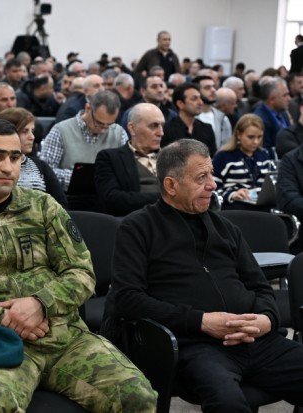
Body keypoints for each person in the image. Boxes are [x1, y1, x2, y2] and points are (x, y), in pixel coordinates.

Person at [0, 117, 157, 412]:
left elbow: (81, 273)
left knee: (137, 396)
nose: (8, 167)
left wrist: (41, 303)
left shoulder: (42, 207)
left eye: (15, 158)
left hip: (66, 339)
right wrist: (6, 317)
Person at [108, 138, 303, 413]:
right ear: (171, 185)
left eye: (211, 174)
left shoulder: (226, 228)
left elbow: (260, 286)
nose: (212, 184)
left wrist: (266, 320)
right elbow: (127, 299)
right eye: (201, 177)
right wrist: (202, 322)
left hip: (257, 340)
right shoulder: (138, 228)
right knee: (228, 403)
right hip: (196, 346)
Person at [39, 90, 127, 191]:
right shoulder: (60, 131)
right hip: (69, 196)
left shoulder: (119, 133)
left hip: (108, 196)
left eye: (110, 124)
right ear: (88, 108)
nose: (104, 130)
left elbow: (127, 171)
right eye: (99, 123)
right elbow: (45, 171)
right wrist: (80, 177)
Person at [95, 103, 162, 216]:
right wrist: (163, 199)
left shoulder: (173, 157)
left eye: (162, 125)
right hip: (135, 219)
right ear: (132, 128)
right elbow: (112, 199)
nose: (161, 132)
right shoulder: (110, 158)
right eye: (153, 126)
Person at [0, 107, 68, 208]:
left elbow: (61, 204)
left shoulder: (40, 166)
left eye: (32, 131)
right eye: (25, 131)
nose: (32, 137)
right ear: (7, 133)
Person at [212, 114, 277, 210]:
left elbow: (274, 182)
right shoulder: (223, 157)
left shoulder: (264, 155)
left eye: (259, 137)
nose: (256, 142)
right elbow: (211, 189)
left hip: (262, 205)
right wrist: (232, 194)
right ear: (238, 134)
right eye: (251, 137)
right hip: (235, 206)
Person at [162, 83, 217, 156]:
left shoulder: (207, 129)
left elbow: (212, 157)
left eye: (200, 98)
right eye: (194, 99)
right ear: (180, 104)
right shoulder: (167, 130)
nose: (200, 102)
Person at [254, 76, 291, 158]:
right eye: (285, 95)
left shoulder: (283, 112)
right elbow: (266, 151)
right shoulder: (259, 120)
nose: (289, 99)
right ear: (271, 100)